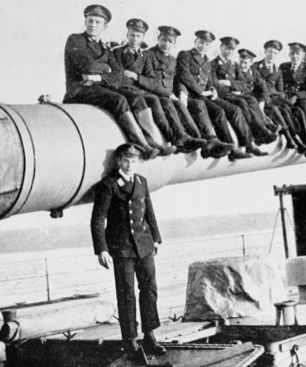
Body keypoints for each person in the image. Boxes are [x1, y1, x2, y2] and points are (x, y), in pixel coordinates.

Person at [90, 143, 166, 358]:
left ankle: (150, 335)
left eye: (134, 160)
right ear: (119, 161)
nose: (130, 164)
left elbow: (149, 213)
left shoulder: (142, 182)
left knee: (149, 289)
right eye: (126, 160)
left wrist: (156, 239)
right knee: (127, 294)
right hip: (121, 247)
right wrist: (101, 249)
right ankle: (130, 340)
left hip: (144, 245)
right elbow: (98, 219)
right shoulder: (109, 185)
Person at [63, 5, 159, 159]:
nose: (93, 25)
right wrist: (107, 68)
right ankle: (141, 145)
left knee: (135, 97)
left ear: (105, 26)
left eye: (97, 22)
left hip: (98, 86)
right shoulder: (75, 40)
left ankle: (151, 139)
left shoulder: (105, 48)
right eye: (90, 21)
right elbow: (87, 65)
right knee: (118, 99)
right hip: (79, 89)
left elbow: (119, 75)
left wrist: (99, 76)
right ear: (85, 21)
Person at [114, 21, 205, 154]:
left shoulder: (145, 55)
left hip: (146, 89)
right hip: (135, 90)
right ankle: (173, 138)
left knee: (176, 104)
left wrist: (180, 92)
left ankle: (188, 138)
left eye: (138, 36)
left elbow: (154, 78)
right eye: (132, 35)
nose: (134, 39)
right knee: (162, 102)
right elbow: (119, 74)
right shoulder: (122, 52)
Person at [176, 30, 254, 160]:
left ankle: (232, 147)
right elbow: (184, 76)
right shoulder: (185, 55)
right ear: (195, 42)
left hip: (204, 95)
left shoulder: (207, 60)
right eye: (201, 43)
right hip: (192, 94)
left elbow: (211, 80)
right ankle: (212, 142)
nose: (203, 46)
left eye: (207, 45)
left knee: (221, 111)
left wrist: (212, 89)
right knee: (202, 107)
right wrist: (200, 91)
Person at [211, 37, 276, 149]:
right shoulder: (213, 64)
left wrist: (229, 83)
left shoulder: (234, 65)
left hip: (234, 93)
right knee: (241, 102)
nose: (229, 52)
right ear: (221, 47)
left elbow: (244, 84)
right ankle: (256, 134)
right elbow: (214, 83)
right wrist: (232, 86)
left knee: (251, 99)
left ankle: (261, 129)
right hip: (223, 96)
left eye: (232, 50)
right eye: (227, 48)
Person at [252, 40, 306, 154]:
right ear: (265, 52)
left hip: (275, 99)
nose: (272, 55)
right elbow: (256, 87)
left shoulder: (278, 70)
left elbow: (281, 90)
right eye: (270, 51)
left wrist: (282, 99)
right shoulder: (255, 67)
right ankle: (292, 140)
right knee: (277, 111)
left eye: (275, 53)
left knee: (292, 110)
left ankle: (300, 139)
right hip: (261, 100)